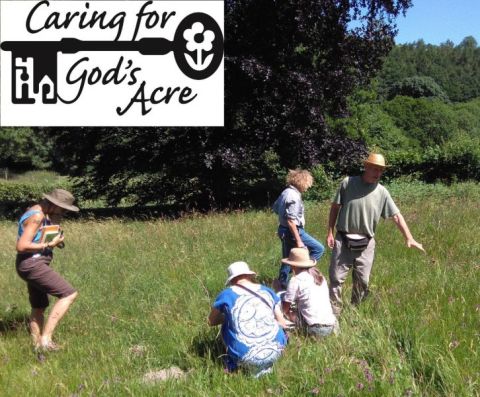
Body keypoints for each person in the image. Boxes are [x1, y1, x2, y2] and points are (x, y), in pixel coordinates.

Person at [326, 153, 425, 315]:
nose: (377, 173)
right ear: (366, 167)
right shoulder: (348, 183)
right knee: (336, 279)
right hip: (343, 239)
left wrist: (409, 237)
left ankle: (354, 313)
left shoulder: (382, 192)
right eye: (374, 169)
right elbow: (335, 207)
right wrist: (330, 231)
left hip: (366, 242)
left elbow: (396, 215)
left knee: (363, 281)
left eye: (380, 170)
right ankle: (333, 316)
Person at [16, 188, 79, 351]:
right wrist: (48, 245)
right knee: (69, 294)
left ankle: (37, 346)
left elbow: (38, 235)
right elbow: (21, 246)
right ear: (53, 204)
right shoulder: (37, 216)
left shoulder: (39, 211)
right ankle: (46, 340)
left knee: (39, 307)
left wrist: (55, 224)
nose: (64, 212)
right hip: (32, 264)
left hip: (32, 263)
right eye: (63, 208)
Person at [208, 261, 287, 377]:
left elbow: (211, 321)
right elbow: (282, 323)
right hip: (276, 351)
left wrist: (228, 317)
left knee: (226, 324)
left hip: (245, 356)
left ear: (231, 280)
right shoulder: (267, 291)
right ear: (249, 275)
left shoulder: (226, 295)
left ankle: (234, 362)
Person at [273, 169, 324, 290]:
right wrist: (299, 240)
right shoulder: (294, 196)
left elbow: (275, 208)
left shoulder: (286, 192)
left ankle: (282, 284)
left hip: (283, 229)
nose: (308, 187)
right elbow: (291, 221)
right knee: (319, 249)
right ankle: (302, 272)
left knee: (288, 257)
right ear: (303, 182)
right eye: (308, 184)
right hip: (293, 231)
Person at [281, 248, 337, 337]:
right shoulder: (320, 277)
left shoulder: (296, 280)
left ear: (293, 265)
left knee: (286, 313)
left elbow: (285, 308)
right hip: (331, 325)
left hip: (314, 328)